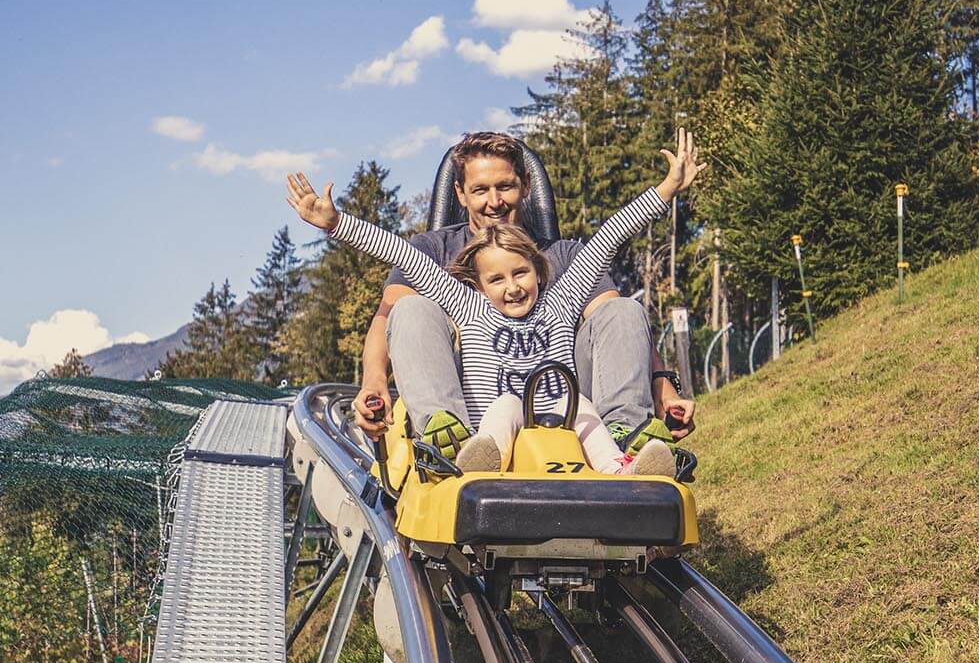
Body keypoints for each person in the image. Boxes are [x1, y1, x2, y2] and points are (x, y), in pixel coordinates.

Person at [287, 131, 706, 476]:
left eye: (521, 274)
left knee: (597, 380)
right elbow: (399, 255)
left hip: (562, 410)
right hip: (487, 413)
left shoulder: (561, 286)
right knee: (415, 313)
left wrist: (667, 188)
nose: (512, 288)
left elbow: (611, 238)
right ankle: (450, 444)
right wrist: (337, 224)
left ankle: (629, 456)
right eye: (497, 279)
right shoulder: (465, 298)